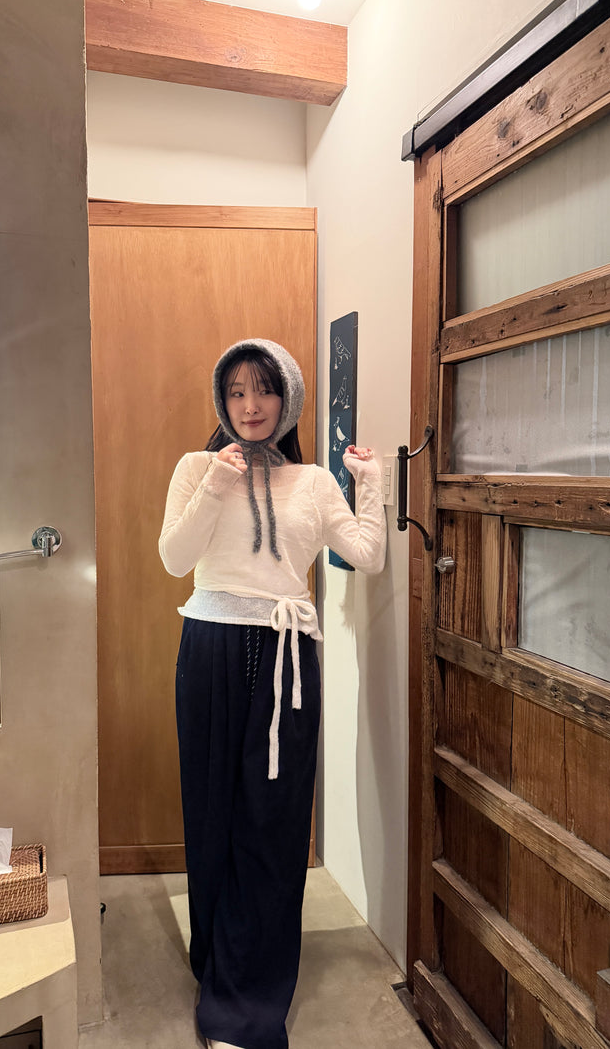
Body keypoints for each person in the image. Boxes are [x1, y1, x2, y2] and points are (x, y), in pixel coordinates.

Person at [159, 338, 386, 1049]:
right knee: (212, 811)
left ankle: (247, 1005)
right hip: (210, 649)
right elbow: (174, 559)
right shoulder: (195, 467)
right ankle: (216, 957)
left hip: (289, 656)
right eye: (236, 392)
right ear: (221, 401)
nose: (250, 406)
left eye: (263, 390)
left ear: (287, 400)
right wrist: (215, 485)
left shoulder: (313, 481)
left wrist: (370, 481)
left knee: (274, 821)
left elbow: (367, 554)